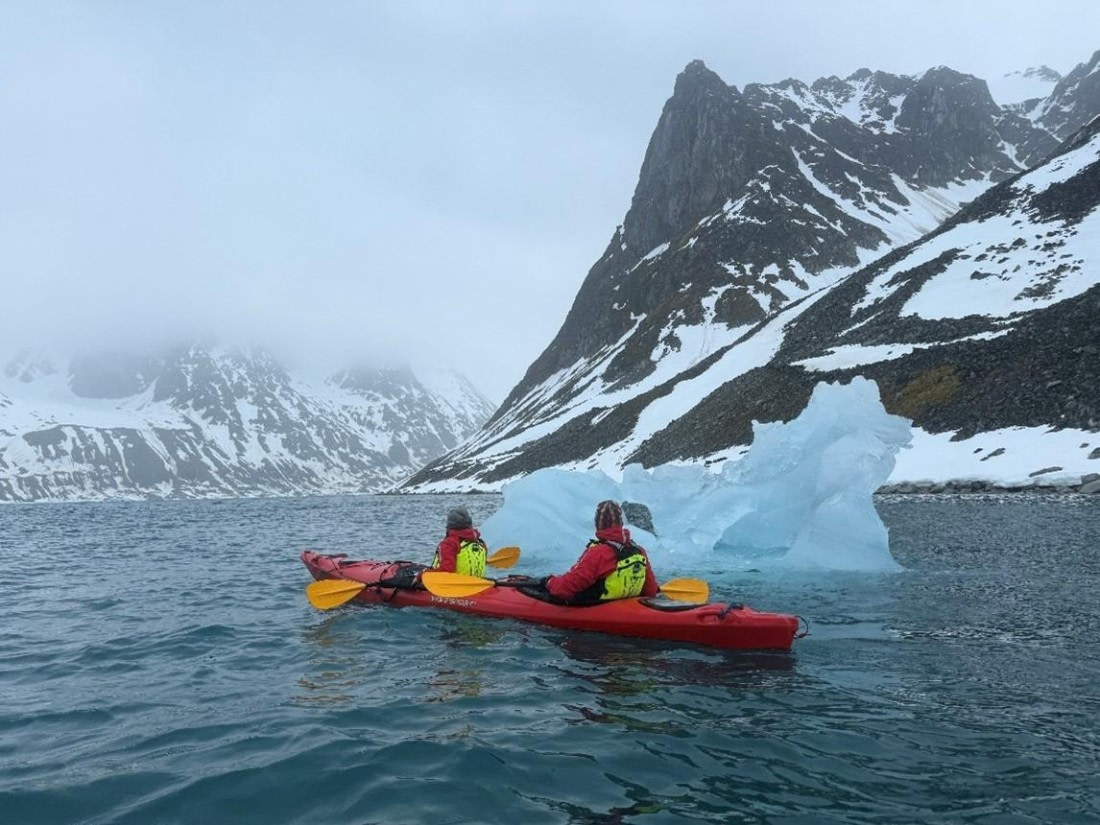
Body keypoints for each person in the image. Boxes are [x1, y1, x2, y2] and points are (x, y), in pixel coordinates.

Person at [543, 500, 659, 604]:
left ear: (598, 524)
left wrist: (550, 582)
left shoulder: (599, 553)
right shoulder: (639, 550)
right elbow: (651, 591)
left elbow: (564, 589)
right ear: (620, 523)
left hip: (598, 607)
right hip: (627, 606)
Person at [430, 506, 488, 576]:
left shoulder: (449, 543)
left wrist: (422, 575)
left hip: (453, 585)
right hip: (477, 585)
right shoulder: (480, 543)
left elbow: (447, 571)